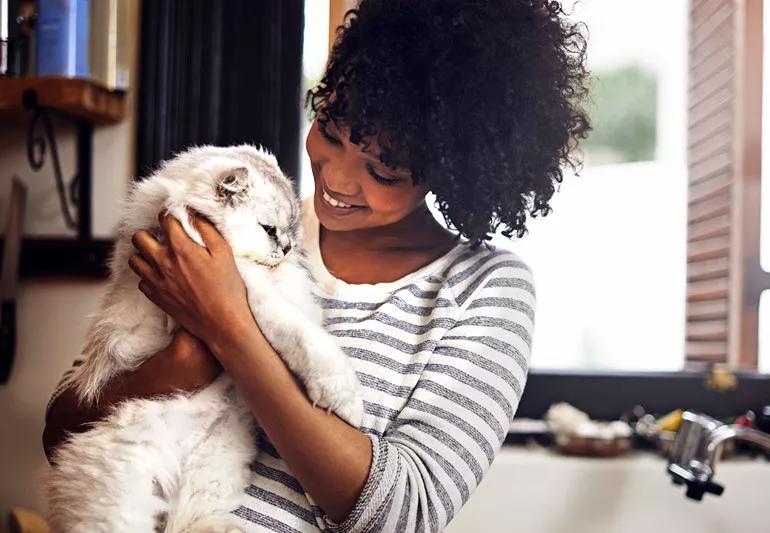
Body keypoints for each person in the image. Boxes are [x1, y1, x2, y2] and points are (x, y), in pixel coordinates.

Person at [42, 0, 590, 531]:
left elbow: (402, 513)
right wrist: (178, 367)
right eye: (330, 130)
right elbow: (62, 429)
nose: (339, 179)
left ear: (451, 169)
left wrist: (229, 329)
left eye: (383, 171)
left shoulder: (485, 290)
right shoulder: (246, 220)